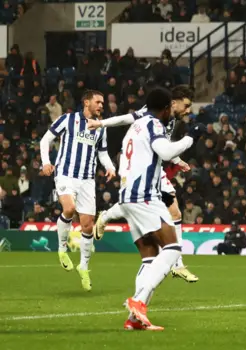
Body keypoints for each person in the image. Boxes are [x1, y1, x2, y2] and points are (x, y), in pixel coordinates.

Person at [88, 85, 199, 283]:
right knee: (135, 201)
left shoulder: (169, 119)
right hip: (137, 166)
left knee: (175, 213)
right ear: (173, 103)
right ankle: (106, 216)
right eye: (187, 105)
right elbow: (126, 119)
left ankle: (178, 264)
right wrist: (101, 124)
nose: (188, 110)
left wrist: (176, 160)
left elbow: (160, 145)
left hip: (154, 168)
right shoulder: (151, 114)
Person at [119, 87, 200, 331]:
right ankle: (139, 302)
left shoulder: (136, 126)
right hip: (144, 195)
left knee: (150, 255)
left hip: (127, 194)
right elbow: (164, 151)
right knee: (173, 248)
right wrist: (188, 139)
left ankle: (134, 320)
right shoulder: (154, 123)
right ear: (166, 108)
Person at [39, 90, 116, 291]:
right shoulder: (68, 119)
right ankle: (62, 249)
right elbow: (45, 140)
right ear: (86, 102)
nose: (101, 105)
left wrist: (110, 167)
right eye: (98, 102)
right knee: (69, 208)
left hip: (87, 180)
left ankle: (83, 266)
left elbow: (103, 153)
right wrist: (46, 162)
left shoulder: (100, 127)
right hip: (65, 174)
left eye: (102, 102)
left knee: (88, 225)